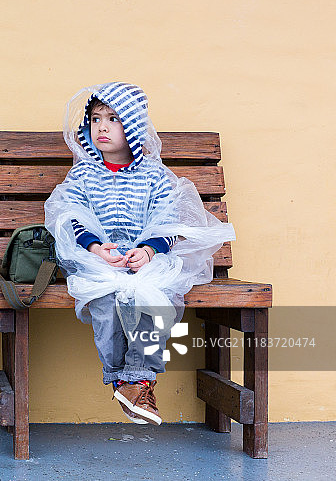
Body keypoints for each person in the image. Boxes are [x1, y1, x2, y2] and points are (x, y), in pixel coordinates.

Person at [44, 82, 235, 425]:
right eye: (95, 118)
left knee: (157, 298)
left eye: (114, 119)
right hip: (98, 260)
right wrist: (96, 248)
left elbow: (167, 220)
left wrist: (148, 251)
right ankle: (129, 381)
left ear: (131, 125)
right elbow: (70, 213)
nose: (101, 126)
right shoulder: (84, 174)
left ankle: (135, 379)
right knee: (105, 301)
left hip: (145, 259)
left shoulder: (154, 176)